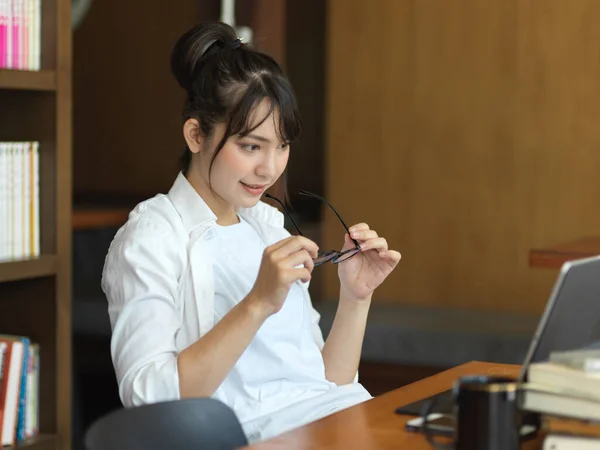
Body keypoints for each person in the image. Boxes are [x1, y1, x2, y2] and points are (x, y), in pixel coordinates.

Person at [101, 21, 401, 443]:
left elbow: (324, 382)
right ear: (195, 134)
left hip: (335, 426)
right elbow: (150, 401)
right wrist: (257, 302)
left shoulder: (266, 225)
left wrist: (356, 296)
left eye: (281, 146)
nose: (270, 168)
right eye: (251, 146)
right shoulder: (152, 238)